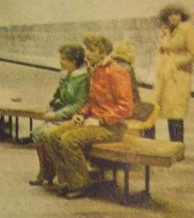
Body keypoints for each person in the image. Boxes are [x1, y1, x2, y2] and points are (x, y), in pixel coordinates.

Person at [46, 34, 134, 199]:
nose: (87, 53)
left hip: (112, 127)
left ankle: (80, 184)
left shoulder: (116, 72)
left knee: (70, 140)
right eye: (87, 49)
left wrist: (101, 120)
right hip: (92, 122)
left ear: (103, 52)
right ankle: (67, 180)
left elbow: (126, 108)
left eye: (92, 50)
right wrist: (81, 114)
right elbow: (91, 101)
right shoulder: (95, 69)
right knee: (53, 136)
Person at [29, 44, 89, 187]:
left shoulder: (82, 79)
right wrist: (51, 107)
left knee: (47, 133)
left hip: (73, 117)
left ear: (74, 61)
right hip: (62, 115)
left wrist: (56, 115)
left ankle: (58, 173)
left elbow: (79, 104)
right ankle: (45, 171)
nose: (61, 62)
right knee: (37, 132)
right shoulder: (67, 76)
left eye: (64, 59)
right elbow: (58, 97)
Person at [153, 3, 194, 142]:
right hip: (164, 75)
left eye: (177, 14)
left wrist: (175, 62)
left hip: (179, 76)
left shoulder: (188, 29)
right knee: (159, 109)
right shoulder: (166, 30)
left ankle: (177, 145)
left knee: (175, 112)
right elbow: (162, 48)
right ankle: (162, 146)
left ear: (182, 15)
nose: (173, 17)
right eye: (170, 14)